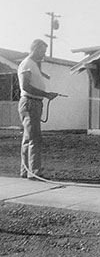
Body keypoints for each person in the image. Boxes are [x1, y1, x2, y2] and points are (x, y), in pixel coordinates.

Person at [18, 39, 58, 180]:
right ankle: (34, 171)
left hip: (34, 102)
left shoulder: (33, 64)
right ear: (34, 49)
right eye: (42, 51)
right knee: (35, 138)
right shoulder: (27, 64)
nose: (44, 54)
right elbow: (26, 86)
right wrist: (46, 94)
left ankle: (26, 170)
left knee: (28, 138)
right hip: (30, 102)